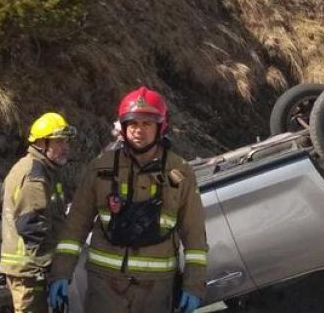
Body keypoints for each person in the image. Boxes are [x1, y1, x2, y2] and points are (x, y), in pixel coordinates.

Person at [48, 87, 208, 313]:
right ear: (123, 127)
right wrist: (61, 273)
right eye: (133, 124)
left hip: (155, 289)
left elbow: (195, 237)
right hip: (105, 287)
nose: (138, 131)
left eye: (146, 124)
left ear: (160, 127)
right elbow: (74, 228)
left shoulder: (180, 173)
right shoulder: (100, 168)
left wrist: (194, 286)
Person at [0, 112, 77, 313]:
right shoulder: (35, 174)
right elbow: (31, 225)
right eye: (59, 142)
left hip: (31, 268)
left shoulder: (44, 169)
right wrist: (53, 266)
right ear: (42, 143)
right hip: (30, 269)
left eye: (66, 142)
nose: (65, 148)